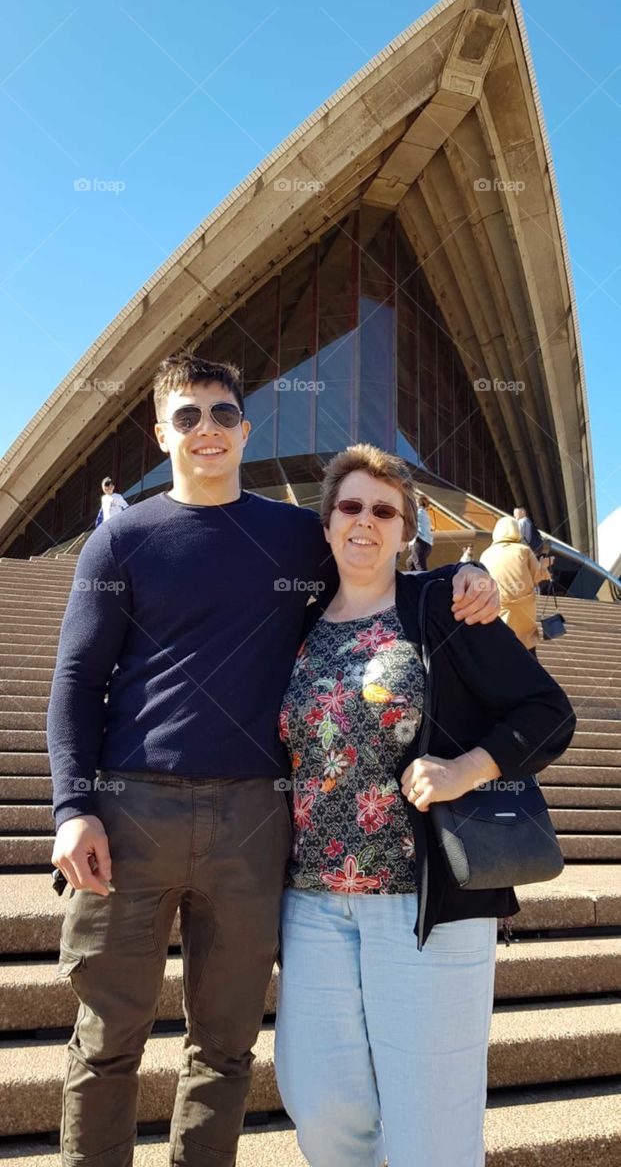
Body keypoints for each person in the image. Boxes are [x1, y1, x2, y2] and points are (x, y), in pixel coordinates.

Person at [48, 352, 500, 1167]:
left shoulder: (296, 535)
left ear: (245, 429)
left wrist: (467, 574)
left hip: (256, 818)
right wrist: (73, 808)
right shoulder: (120, 541)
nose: (207, 429)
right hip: (132, 812)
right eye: (187, 416)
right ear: (162, 434)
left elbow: (377, 565)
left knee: (224, 1044)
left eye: (222, 414)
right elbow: (77, 680)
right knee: (107, 1037)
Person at [274, 444, 575, 1167]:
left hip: (425, 902)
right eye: (350, 506)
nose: (365, 521)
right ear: (326, 522)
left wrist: (467, 769)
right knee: (320, 1104)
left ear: (407, 530)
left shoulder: (443, 605)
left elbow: (547, 712)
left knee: (431, 1134)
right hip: (313, 902)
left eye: (385, 511)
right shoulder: (297, 624)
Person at [480, 517, 554, 656]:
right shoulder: (523, 550)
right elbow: (537, 576)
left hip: (497, 607)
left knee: (500, 643)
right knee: (526, 645)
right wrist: (544, 565)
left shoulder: (486, 554)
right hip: (524, 608)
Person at [406, 490, 433, 571]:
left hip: (419, 543)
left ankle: (425, 579)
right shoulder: (425, 514)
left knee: (420, 567)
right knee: (410, 563)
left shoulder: (418, 512)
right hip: (427, 545)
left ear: (417, 503)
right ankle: (415, 579)